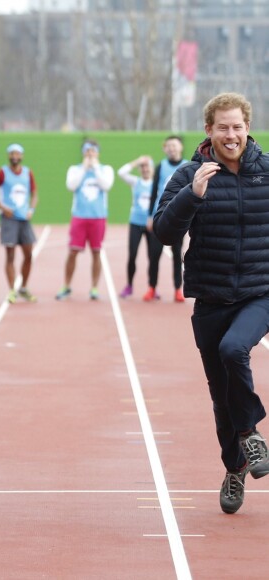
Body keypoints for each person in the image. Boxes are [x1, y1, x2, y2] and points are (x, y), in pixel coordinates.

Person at [153, 92, 269, 515]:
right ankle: (235, 468)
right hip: (211, 296)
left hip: (260, 292)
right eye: (223, 126)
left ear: (247, 127)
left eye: (237, 126)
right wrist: (193, 195)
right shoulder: (189, 173)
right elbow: (163, 232)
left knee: (234, 348)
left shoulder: (267, 171)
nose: (231, 134)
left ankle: (252, 433)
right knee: (221, 397)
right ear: (209, 130)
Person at [56, 139, 114, 301]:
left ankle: (94, 287)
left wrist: (94, 167)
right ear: (83, 152)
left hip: (98, 217)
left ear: (97, 153)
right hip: (79, 216)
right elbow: (71, 186)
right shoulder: (75, 169)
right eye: (87, 151)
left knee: (96, 252)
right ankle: (66, 285)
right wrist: (84, 168)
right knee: (73, 251)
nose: (90, 154)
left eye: (93, 151)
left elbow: (106, 185)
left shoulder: (105, 169)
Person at [0, 143, 38, 303]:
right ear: (9, 156)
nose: (15, 156)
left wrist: (32, 209)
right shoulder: (2, 173)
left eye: (18, 154)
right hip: (9, 219)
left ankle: (23, 288)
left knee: (29, 254)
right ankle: (12, 290)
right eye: (12, 154)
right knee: (10, 256)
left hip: (24, 219)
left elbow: (35, 194)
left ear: (22, 156)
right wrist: (2, 207)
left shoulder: (28, 173)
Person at [145, 135, 189, 302]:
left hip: (178, 217)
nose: (172, 148)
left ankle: (178, 289)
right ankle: (152, 287)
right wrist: (150, 216)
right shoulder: (160, 166)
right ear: (165, 148)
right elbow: (153, 192)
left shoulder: (187, 166)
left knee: (177, 255)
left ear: (180, 148)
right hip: (160, 215)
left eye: (174, 145)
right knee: (154, 254)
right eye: (169, 146)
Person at [116, 155, 154, 299]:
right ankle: (129, 285)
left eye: (147, 166)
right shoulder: (135, 182)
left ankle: (152, 287)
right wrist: (137, 161)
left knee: (152, 257)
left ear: (151, 168)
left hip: (151, 225)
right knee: (132, 255)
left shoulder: (156, 183)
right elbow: (121, 172)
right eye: (142, 167)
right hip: (136, 223)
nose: (145, 169)